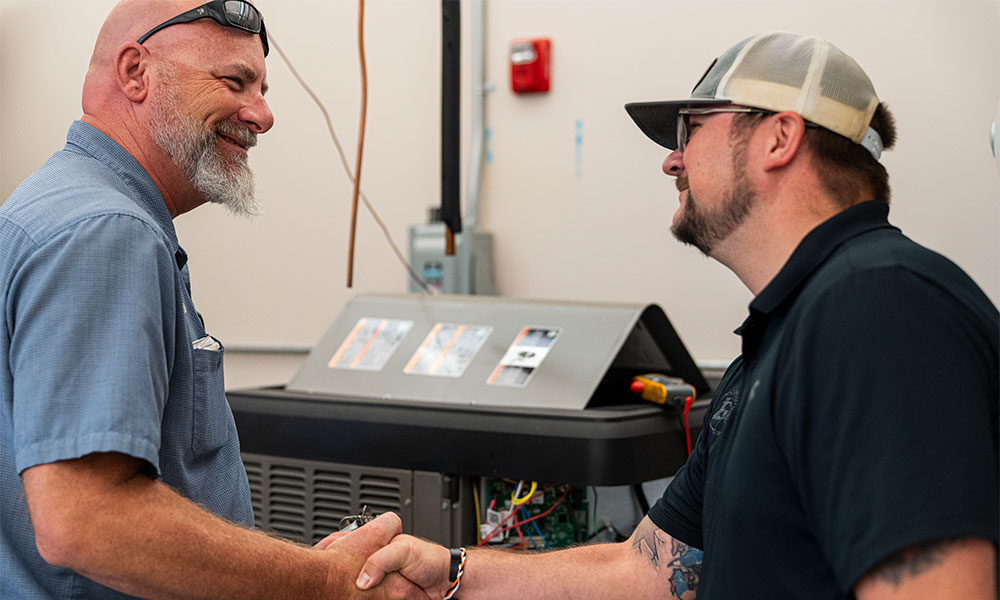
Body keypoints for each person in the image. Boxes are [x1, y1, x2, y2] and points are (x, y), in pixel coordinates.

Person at [353, 32, 1000, 599]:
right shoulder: (786, 336)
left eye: (692, 130)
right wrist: (452, 571)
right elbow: (648, 573)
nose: (671, 159)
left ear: (779, 138)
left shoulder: (879, 309)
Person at [0, 1, 426, 598]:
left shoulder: (57, 207)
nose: (263, 115)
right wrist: (325, 581)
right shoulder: (106, 232)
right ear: (135, 72)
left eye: (263, 89)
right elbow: (88, 522)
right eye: (234, 82)